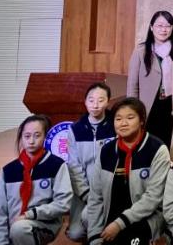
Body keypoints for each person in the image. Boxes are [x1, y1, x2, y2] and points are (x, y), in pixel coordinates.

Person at [84, 97, 170, 245]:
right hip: (111, 216)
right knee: (88, 221)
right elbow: (96, 197)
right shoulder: (106, 151)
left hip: (144, 217)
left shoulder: (157, 149)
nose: (123, 123)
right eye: (118, 119)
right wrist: (94, 236)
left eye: (130, 118)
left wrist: (119, 224)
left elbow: (153, 198)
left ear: (141, 120)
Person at [0, 114, 72, 245]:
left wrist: (31, 214)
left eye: (37, 136)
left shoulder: (56, 165)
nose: (31, 141)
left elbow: (63, 203)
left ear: (45, 137)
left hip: (44, 225)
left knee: (19, 229)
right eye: (27, 136)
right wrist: (1, 242)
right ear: (21, 138)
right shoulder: (8, 171)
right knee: (16, 229)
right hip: (14, 226)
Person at [64, 82, 116, 241]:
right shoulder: (75, 129)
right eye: (91, 100)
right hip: (84, 193)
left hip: (109, 190)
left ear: (108, 102)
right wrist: (88, 195)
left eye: (101, 100)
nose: (95, 105)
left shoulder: (115, 125)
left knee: (91, 219)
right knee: (75, 233)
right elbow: (74, 167)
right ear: (85, 102)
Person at [127, 9, 173, 150]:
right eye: (159, 26)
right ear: (151, 27)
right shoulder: (141, 51)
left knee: (166, 147)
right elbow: (132, 85)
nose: (164, 29)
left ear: (172, 28)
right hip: (147, 108)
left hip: (170, 107)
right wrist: (132, 110)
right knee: (146, 147)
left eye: (168, 26)